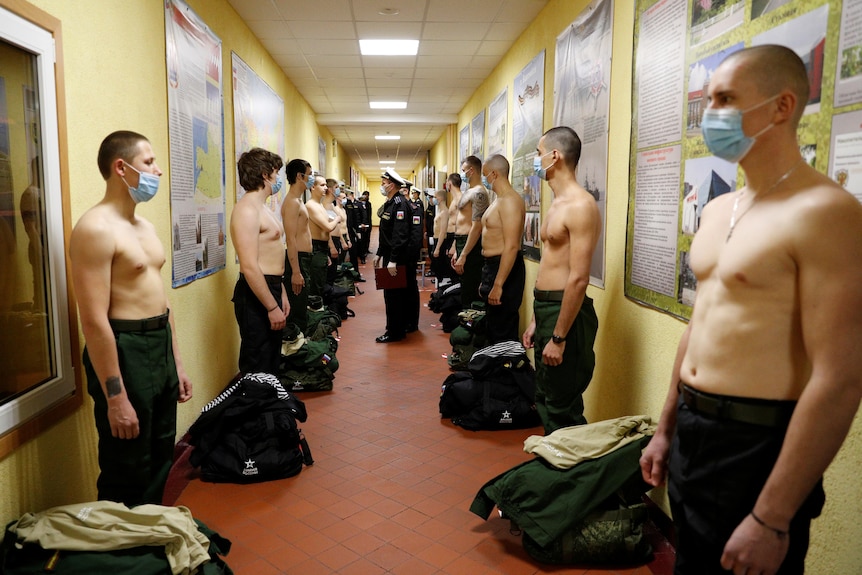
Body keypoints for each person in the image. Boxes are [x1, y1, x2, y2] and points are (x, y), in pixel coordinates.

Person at [639, 45, 862, 575]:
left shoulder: (826, 212)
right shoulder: (719, 209)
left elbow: (841, 378)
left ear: (781, 107)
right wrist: (667, 425)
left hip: (756, 443)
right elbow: (701, 322)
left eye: (725, 99)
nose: (711, 113)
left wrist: (772, 517)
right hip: (694, 427)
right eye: (710, 98)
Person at [70, 130, 193, 506]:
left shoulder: (146, 228)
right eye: (150, 162)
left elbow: (162, 302)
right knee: (128, 459)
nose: (158, 170)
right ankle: (122, 552)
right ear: (120, 167)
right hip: (125, 349)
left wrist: (178, 363)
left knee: (160, 454)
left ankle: (150, 539)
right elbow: (94, 321)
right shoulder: (95, 228)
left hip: (158, 344)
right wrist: (115, 397)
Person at [522, 126, 600, 434]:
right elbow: (549, 267)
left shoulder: (581, 206)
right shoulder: (555, 203)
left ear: (555, 156)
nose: (536, 161)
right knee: (544, 395)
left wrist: (558, 337)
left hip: (565, 315)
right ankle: (551, 473)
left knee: (561, 407)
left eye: (539, 153)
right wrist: (533, 320)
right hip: (546, 310)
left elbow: (579, 278)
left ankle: (569, 478)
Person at [230, 147, 288, 376]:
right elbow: (249, 266)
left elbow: (270, 256)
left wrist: (280, 292)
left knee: (271, 361)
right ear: (265, 174)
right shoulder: (246, 211)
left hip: (271, 286)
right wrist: (271, 306)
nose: (278, 177)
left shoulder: (263, 207)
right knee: (258, 362)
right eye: (276, 171)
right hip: (255, 295)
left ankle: (269, 411)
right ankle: (255, 411)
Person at [479, 154, 526, 344]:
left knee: (502, 327)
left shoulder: (510, 201)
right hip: (491, 266)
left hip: (504, 268)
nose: (484, 179)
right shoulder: (499, 200)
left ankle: (505, 372)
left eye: (485, 175)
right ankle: (494, 371)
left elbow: (512, 245)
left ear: (494, 174)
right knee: (493, 324)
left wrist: (498, 284)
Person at [374, 169, 413, 343]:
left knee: (394, 296)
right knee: (391, 295)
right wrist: (379, 253)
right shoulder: (390, 203)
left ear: (392, 185)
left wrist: (393, 260)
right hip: (389, 255)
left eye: (383, 183)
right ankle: (396, 327)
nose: (382, 186)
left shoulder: (400, 204)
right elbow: (385, 233)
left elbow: (400, 235)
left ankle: (395, 332)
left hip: (396, 257)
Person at [450, 155, 489, 308]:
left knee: (470, 289)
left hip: (471, 245)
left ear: (471, 171)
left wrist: (464, 254)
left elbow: (477, 227)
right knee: (464, 287)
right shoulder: (469, 191)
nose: (462, 174)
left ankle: (470, 326)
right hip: (461, 242)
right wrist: (456, 250)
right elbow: (461, 220)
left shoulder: (479, 193)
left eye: (464, 170)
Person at [281, 158, 314, 332]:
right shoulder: (292, 203)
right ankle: (297, 349)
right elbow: (291, 239)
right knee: (297, 309)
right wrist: (295, 272)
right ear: (299, 176)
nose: (312, 178)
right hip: (298, 261)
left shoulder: (299, 201)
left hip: (305, 259)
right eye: (309, 175)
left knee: (302, 306)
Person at [305, 174, 341, 297]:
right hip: (315, 247)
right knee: (316, 283)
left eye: (326, 184)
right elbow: (328, 227)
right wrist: (337, 219)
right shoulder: (310, 205)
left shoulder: (319, 205)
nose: (326, 187)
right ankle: (316, 311)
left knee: (321, 281)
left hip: (322, 248)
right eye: (322, 185)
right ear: (313, 187)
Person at [433, 173, 460, 282]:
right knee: (448, 269)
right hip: (449, 238)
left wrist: (454, 244)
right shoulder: (454, 200)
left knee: (451, 271)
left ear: (449, 183)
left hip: (453, 237)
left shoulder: (459, 199)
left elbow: (460, 224)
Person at [358, 190, 373, 262]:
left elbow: (369, 214)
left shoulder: (369, 204)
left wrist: (369, 224)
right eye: (365, 195)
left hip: (368, 223)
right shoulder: (359, 204)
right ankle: (362, 253)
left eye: (367, 195)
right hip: (362, 224)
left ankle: (367, 249)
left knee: (367, 238)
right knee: (362, 240)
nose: (366, 196)